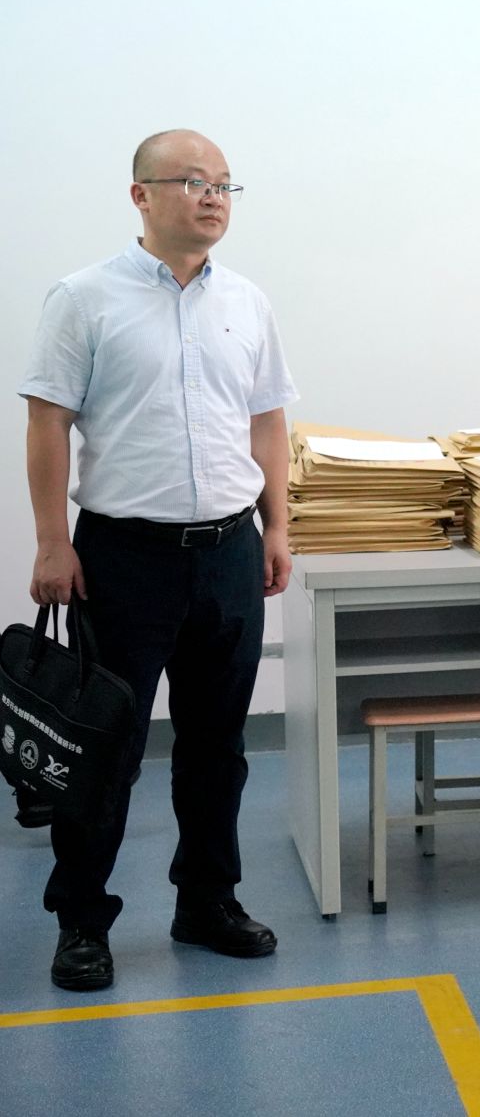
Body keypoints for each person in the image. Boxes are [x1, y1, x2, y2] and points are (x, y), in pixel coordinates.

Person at [19, 129, 297, 992]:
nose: (212, 197)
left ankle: (206, 901)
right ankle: (81, 921)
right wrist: (52, 541)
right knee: (105, 748)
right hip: (123, 557)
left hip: (228, 551)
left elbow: (268, 422)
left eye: (224, 185)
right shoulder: (84, 298)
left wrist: (277, 526)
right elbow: (47, 422)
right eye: (191, 181)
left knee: (218, 746)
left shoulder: (246, 302)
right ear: (140, 194)